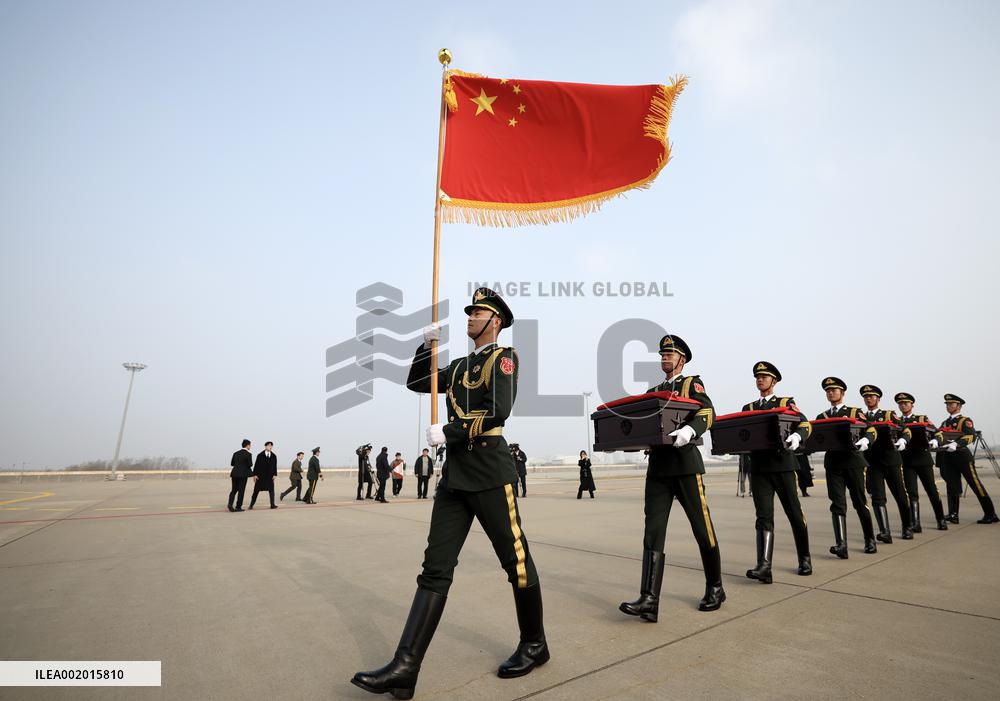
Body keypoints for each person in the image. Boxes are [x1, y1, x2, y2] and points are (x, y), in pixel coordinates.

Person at [352, 288, 547, 699]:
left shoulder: (504, 358)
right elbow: (418, 384)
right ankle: (405, 667)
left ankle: (534, 644)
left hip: (490, 472)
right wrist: (424, 349)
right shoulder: (458, 365)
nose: (469, 317)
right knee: (435, 568)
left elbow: (498, 410)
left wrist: (450, 431)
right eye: (470, 312)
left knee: (516, 562)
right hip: (456, 478)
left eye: (476, 312)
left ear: (494, 320)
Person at [620, 334, 724, 622]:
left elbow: (708, 411)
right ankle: (649, 599)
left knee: (702, 528)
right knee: (652, 531)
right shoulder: (653, 390)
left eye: (670, 354)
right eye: (662, 355)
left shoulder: (691, 384)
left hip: (686, 466)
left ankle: (715, 587)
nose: (665, 358)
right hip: (659, 469)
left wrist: (690, 431)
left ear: (682, 359)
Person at [740, 362, 813, 583]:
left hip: (783, 465)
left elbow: (805, 424)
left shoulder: (785, 403)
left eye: (765, 376)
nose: (760, 380)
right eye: (758, 377)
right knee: (763, 516)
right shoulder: (749, 408)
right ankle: (764, 566)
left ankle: (805, 558)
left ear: (774, 381)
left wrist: (797, 437)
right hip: (760, 468)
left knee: (794, 513)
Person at [816, 377, 878, 558]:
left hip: (853, 462)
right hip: (833, 464)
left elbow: (871, 429)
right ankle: (841, 544)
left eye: (834, 390)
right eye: (828, 390)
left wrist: (867, 439)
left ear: (842, 393)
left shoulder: (854, 412)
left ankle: (870, 539)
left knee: (859, 502)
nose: (830, 393)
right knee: (837, 504)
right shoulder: (823, 417)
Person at [859, 385, 913, 542]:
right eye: (866, 396)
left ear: (878, 399)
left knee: (901, 495)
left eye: (872, 396)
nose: (869, 398)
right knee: (877, 497)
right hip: (872, 462)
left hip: (891, 460)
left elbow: (906, 430)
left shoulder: (888, 414)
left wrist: (904, 440)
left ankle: (907, 527)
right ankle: (885, 532)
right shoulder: (861, 417)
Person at [934, 394, 998, 524]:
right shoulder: (945, 422)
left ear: (959, 406)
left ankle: (990, 513)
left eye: (951, 404)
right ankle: (953, 514)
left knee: (975, 484)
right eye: (947, 404)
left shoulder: (965, 421)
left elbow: (971, 436)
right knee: (952, 486)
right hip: (949, 457)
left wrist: (956, 444)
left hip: (962, 456)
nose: (948, 406)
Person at [894, 393, 948, 531]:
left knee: (932, 490)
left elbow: (938, 433)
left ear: (912, 405)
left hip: (923, 459)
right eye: (901, 403)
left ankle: (941, 520)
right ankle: (915, 523)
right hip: (906, 461)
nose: (903, 405)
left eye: (906, 403)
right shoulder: (896, 421)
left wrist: (936, 440)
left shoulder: (921, 418)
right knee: (911, 493)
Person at [228, 439, 253, 512]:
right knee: (241, 491)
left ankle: (230, 505)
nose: (250, 446)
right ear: (247, 445)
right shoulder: (248, 454)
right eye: (250, 445)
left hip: (234, 474)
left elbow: (232, 464)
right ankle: (238, 507)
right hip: (243, 475)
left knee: (234, 490)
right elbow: (250, 464)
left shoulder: (235, 453)